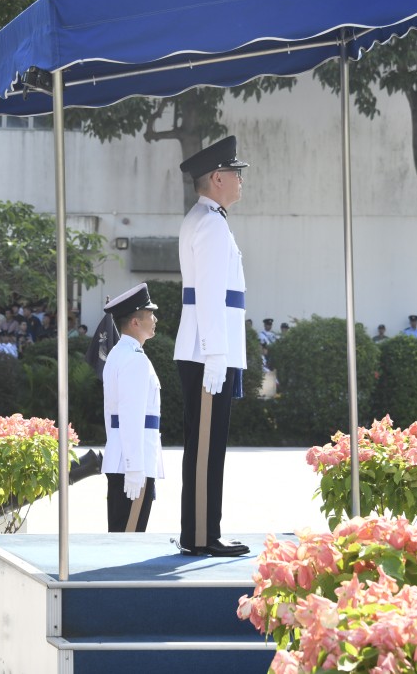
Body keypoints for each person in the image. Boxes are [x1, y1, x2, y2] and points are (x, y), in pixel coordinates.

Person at [173, 135, 250, 557]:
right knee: (205, 448)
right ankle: (201, 535)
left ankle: (201, 531)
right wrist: (218, 355)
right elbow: (209, 296)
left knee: (206, 445)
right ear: (217, 178)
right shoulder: (211, 224)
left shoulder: (207, 220)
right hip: (208, 354)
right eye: (236, 174)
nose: (241, 181)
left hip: (207, 351)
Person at [101, 284, 164, 533]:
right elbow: (130, 416)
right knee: (128, 539)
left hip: (124, 458)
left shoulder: (121, 353)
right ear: (135, 322)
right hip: (132, 463)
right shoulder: (134, 359)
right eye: (150, 314)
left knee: (123, 533)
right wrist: (135, 466)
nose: (155, 319)